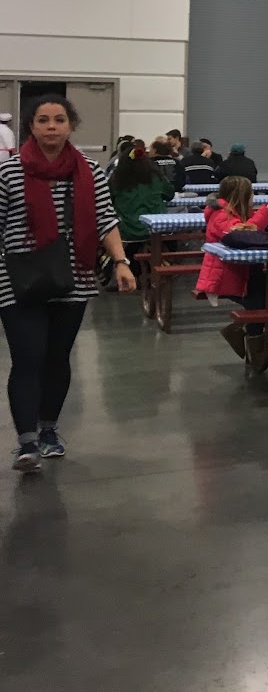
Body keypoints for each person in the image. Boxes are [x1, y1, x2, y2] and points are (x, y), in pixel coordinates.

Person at [0, 96, 137, 471]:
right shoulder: (10, 172)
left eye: (59, 119)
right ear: (31, 126)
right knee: (28, 357)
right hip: (18, 279)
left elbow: (105, 218)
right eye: (43, 120)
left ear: (70, 125)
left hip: (73, 277)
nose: (51, 126)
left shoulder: (89, 170)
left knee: (57, 357)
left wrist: (121, 262)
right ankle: (26, 442)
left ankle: (48, 430)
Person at [196, 176, 268, 369]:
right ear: (242, 196)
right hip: (227, 276)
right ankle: (256, 352)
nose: (253, 196)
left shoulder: (235, 212)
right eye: (251, 193)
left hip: (243, 272)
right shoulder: (221, 215)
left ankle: (248, 340)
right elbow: (242, 234)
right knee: (257, 303)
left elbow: (252, 229)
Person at [109, 144, 174, 267]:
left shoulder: (116, 179)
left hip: (127, 230)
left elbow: (109, 200)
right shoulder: (156, 177)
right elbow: (170, 194)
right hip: (154, 229)